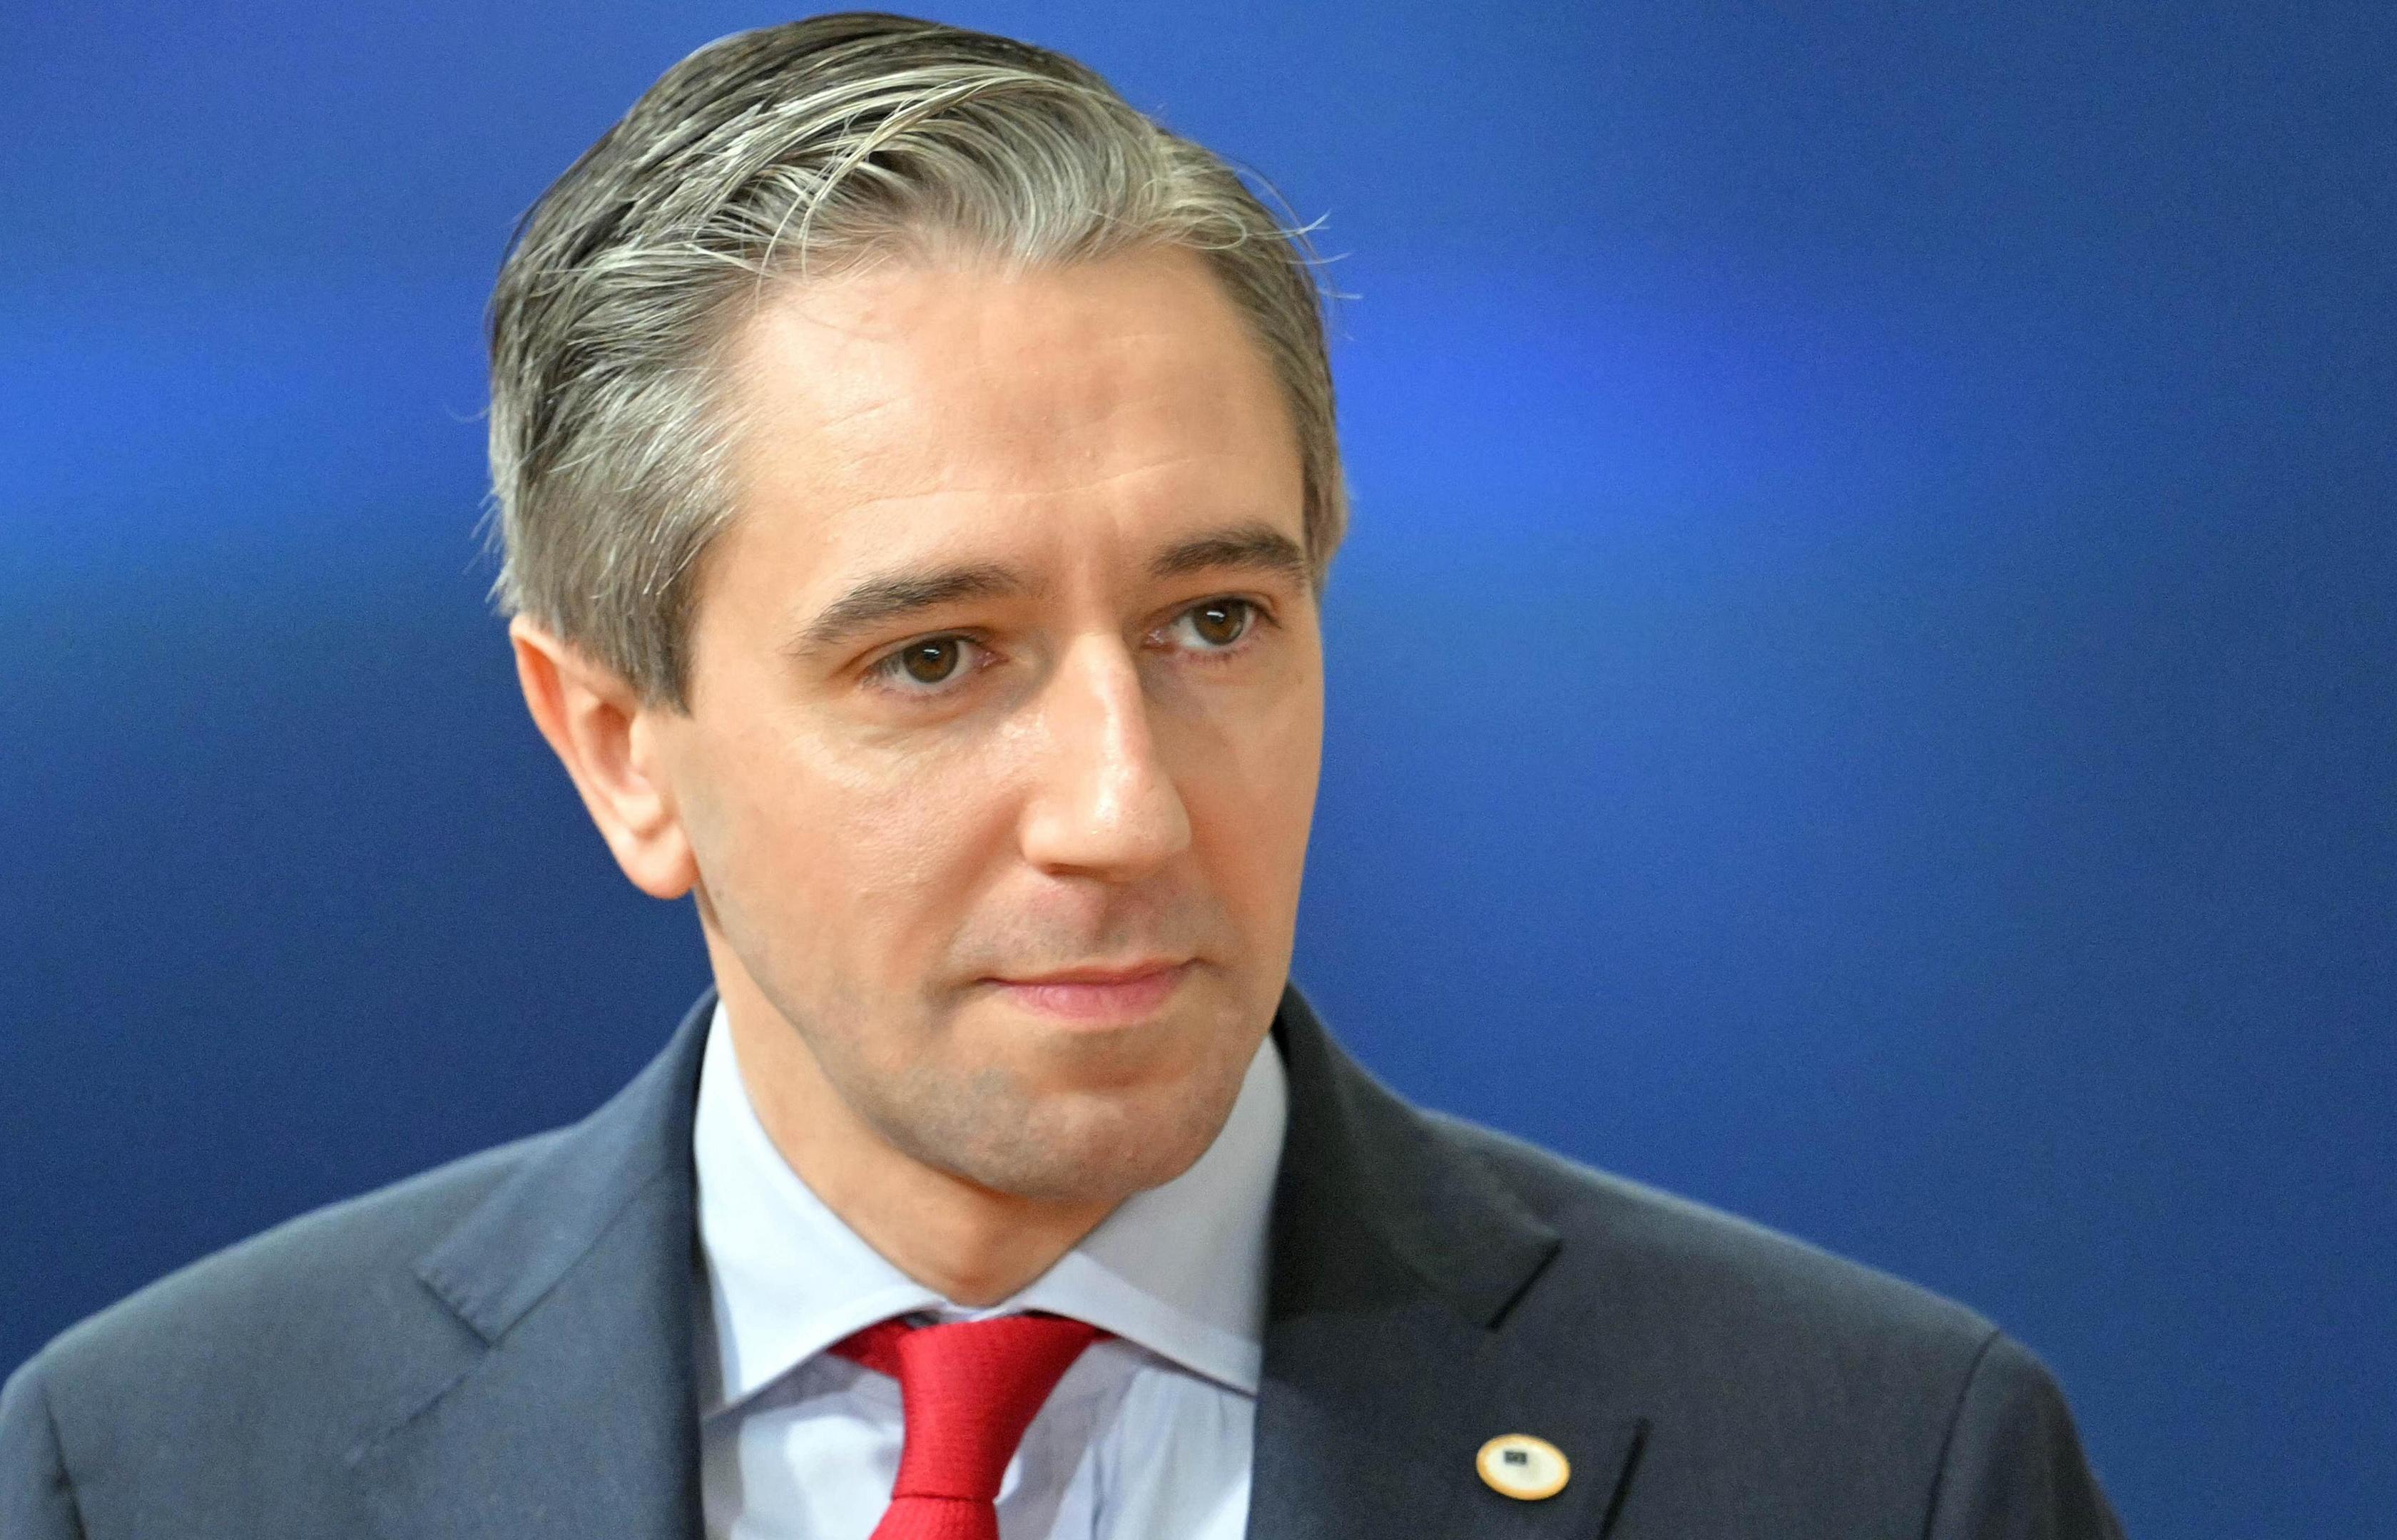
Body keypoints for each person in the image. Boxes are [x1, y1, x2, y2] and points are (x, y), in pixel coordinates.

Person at [0, 14, 2124, 1538]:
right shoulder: (158, 1470)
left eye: (1216, 622)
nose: (1125, 807)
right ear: (620, 748)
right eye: (937, 659)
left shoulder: (1881, 1469)